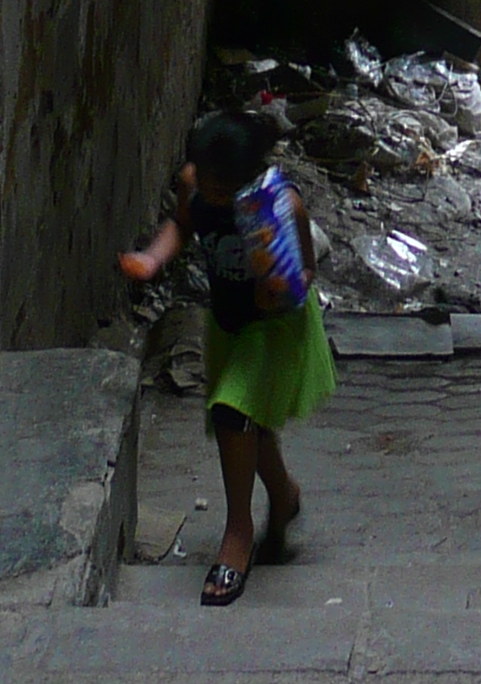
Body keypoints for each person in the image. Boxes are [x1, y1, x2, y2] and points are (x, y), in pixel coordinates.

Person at [120, 104, 336, 606]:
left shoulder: (277, 202)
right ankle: (283, 497)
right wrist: (152, 258)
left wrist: (291, 280)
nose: (210, 194)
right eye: (206, 184)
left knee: (233, 414)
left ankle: (236, 535)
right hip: (229, 325)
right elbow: (182, 223)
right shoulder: (196, 184)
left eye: (222, 189)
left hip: (273, 330)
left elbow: (304, 261)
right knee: (250, 424)